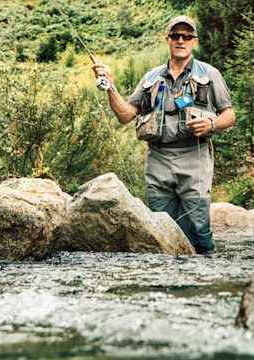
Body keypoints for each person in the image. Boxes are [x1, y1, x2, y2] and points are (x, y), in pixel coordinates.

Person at [91, 15, 235, 254]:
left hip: (194, 156)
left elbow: (229, 116)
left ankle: (204, 277)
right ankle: (167, 284)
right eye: (175, 36)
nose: (181, 40)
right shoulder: (151, 78)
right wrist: (110, 86)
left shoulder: (210, 74)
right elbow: (126, 115)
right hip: (158, 159)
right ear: (167, 40)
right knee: (161, 225)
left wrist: (211, 126)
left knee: (198, 224)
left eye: (186, 36)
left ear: (194, 42)